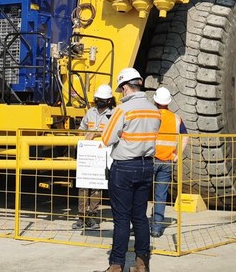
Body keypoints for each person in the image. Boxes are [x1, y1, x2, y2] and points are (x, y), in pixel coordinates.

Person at [96, 68, 161, 272]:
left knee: (122, 218)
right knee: (140, 217)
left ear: (125, 88)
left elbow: (107, 139)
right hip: (146, 166)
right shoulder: (153, 109)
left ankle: (116, 265)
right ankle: (142, 264)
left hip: (124, 168)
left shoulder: (122, 110)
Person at [73, 83, 116, 230]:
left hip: (102, 156)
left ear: (109, 100)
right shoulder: (90, 113)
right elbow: (81, 129)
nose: (100, 101)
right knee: (83, 186)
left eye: (103, 99)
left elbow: (115, 133)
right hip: (87, 155)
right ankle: (81, 217)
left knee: (97, 186)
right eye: (99, 99)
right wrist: (84, 136)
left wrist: (96, 134)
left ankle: (92, 216)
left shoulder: (114, 114)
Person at [150, 86, 188, 238]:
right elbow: (185, 136)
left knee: (139, 193)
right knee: (160, 195)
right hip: (167, 160)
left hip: (150, 159)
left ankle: (138, 225)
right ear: (168, 102)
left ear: (155, 100)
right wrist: (177, 154)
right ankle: (156, 229)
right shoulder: (176, 118)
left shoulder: (152, 116)